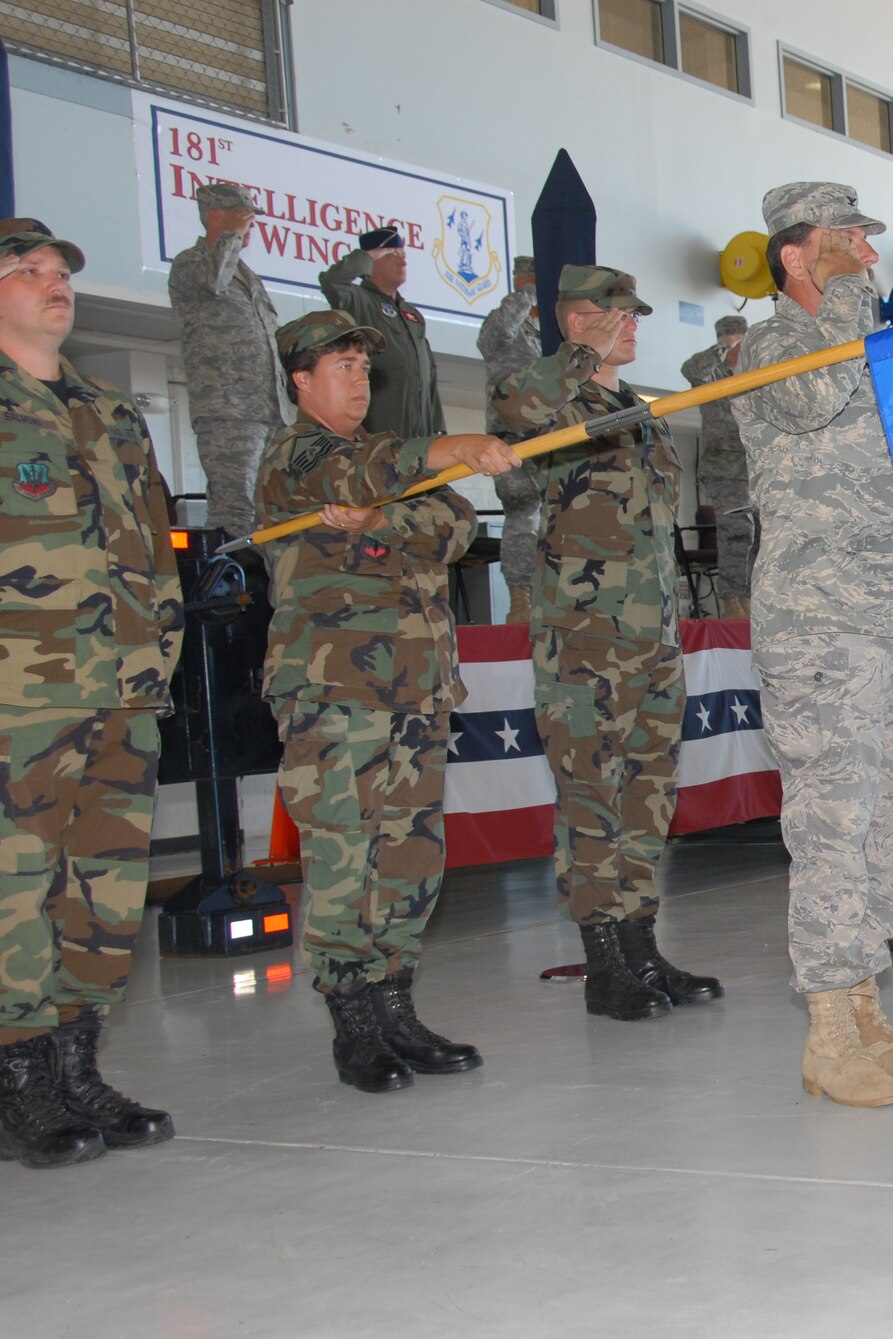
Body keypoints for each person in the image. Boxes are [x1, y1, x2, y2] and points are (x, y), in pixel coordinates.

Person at [731, 182, 893, 1107]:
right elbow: (812, 401)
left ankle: (867, 1013)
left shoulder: (868, 337)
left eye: (867, 243)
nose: (869, 258)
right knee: (833, 824)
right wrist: (844, 306)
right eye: (845, 243)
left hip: (892, 614)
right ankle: (829, 1031)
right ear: (794, 254)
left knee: (888, 821)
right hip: (819, 619)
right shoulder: (777, 343)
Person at [259, 309, 519, 1091]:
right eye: (343, 368)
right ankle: (354, 1019)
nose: (359, 381)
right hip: (335, 688)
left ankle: (396, 1002)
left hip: (418, 684)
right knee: (345, 851)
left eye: (365, 369)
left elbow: (458, 525)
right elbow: (371, 480)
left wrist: (386, 519)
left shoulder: (385, 464)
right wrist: (449, 459)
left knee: (409, 852)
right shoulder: (294, 458)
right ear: (301, 380)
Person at [491, 265, 721, 1021]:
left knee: (647, 794)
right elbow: (515, 410)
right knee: (593, 797)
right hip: (585, 639)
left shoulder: (638, 409)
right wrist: (580, 352)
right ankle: (604, 963)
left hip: (652, 634)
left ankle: (641, 942)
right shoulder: (555, 398)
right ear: (580, 317)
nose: (633, 325)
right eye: (619, 313)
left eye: (634, 314)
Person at [0, 219, 182, 1168]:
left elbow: (152, 540)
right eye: (26, 271)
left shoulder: (111, 411)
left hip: (122, 688)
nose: (52, 282)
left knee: (105, 889)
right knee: (13, 889)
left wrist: (162, 651)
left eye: (61, 269)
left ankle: (77, 1062)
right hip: (17, 699)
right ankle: (21, 1078)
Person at [166, 182, 284, 538]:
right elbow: (213, 283)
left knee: (270, 505)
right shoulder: (191, 263)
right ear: (215, 215)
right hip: (228, 408)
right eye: (242, 216)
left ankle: (266, 585)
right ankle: (233, 587)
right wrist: (230, 235)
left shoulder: (247, 274)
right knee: (234, 507)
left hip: (266, 408)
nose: (249, 225)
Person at [318, 227, 443, 438]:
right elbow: (332, 282)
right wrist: (365, 256)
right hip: (379, 427)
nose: (402, 262)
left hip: (420, 433)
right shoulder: (358, 300)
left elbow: (428, 371)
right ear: (371, 261)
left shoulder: (412, 314)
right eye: (392, 255)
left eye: (403, 256)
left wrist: (438, 427)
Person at [477, 256, 543, 624]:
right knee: (522, 514)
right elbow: (492, 337)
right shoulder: (504, 328)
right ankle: (521, 598)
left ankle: (548, 596)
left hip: (547, 437)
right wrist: (526, 291)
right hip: (509, 438)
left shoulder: (542, 332)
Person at [682, 315, 753, 618]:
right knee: (737, 533)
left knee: (760, 536)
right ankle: (734, 601)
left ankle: (750, 598)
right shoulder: (711, 373)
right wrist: (721, 349)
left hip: (754, 466)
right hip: (724, 467)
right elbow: (690, 369)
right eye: (732, 339)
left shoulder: (755, 368)